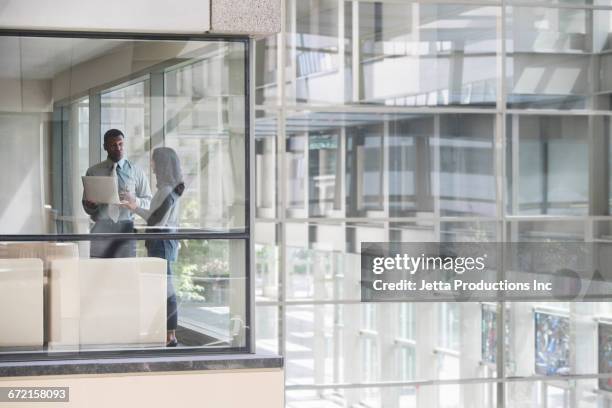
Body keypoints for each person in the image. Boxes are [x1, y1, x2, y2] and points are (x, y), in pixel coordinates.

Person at [121, 147, 184, 347]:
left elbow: (156, 222)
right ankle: (166, 332)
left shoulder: (166, 191)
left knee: (166, 289)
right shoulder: (168, 189)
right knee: (163, 288)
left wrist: (135, 208)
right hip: (165, 241)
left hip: (162, 242)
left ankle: (169, 335)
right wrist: (136, 206)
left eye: (154, 161)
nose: (152, 165)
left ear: (162, 164)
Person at [83, 129, 152, 258]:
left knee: (125, 272)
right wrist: (90, 205)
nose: (118, 148)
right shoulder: (93, 171)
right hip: (100, 228)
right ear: (105, 147)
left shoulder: (136, 172)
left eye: (121, 144)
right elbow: (87, 207)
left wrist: (134, 201)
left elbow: (148, 202)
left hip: (125, 228)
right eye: (113, 145)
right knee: (98, 272)